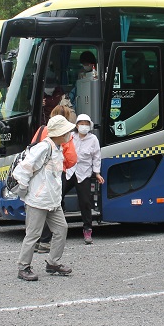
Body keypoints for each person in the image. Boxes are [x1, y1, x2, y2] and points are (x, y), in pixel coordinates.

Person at [13, 114, 76, 281]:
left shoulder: (56, 147)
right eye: (66, 132)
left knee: (61, 229)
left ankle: (53, 262)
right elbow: (23, 169)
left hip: (51, 200)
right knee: (33, 234)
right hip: (39, 200)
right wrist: (24, 190)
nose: (69, 135)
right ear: (59, 134)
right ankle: (23, 267)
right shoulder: (44, 147)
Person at [32, 105, 77, 254]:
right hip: (55, 174)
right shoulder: (64, 133)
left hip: (38, 175)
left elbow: (32, 148)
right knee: (54, 206)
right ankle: (45, 241)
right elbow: (71, 158)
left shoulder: (41, 129)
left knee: (39, 206)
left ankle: (37, 241)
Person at [64, 113, 103, 244]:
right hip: (69, 171)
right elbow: (63, 151)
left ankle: (87, 230)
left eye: (86, 124)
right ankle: (57, 227)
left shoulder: (93, 139)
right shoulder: (70, 136)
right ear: (76, 125)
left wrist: (97, 173)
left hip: (84, 173)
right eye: (81, 124)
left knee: (85, 202)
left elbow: (96, 157)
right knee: (57, 196)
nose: (84, 126)